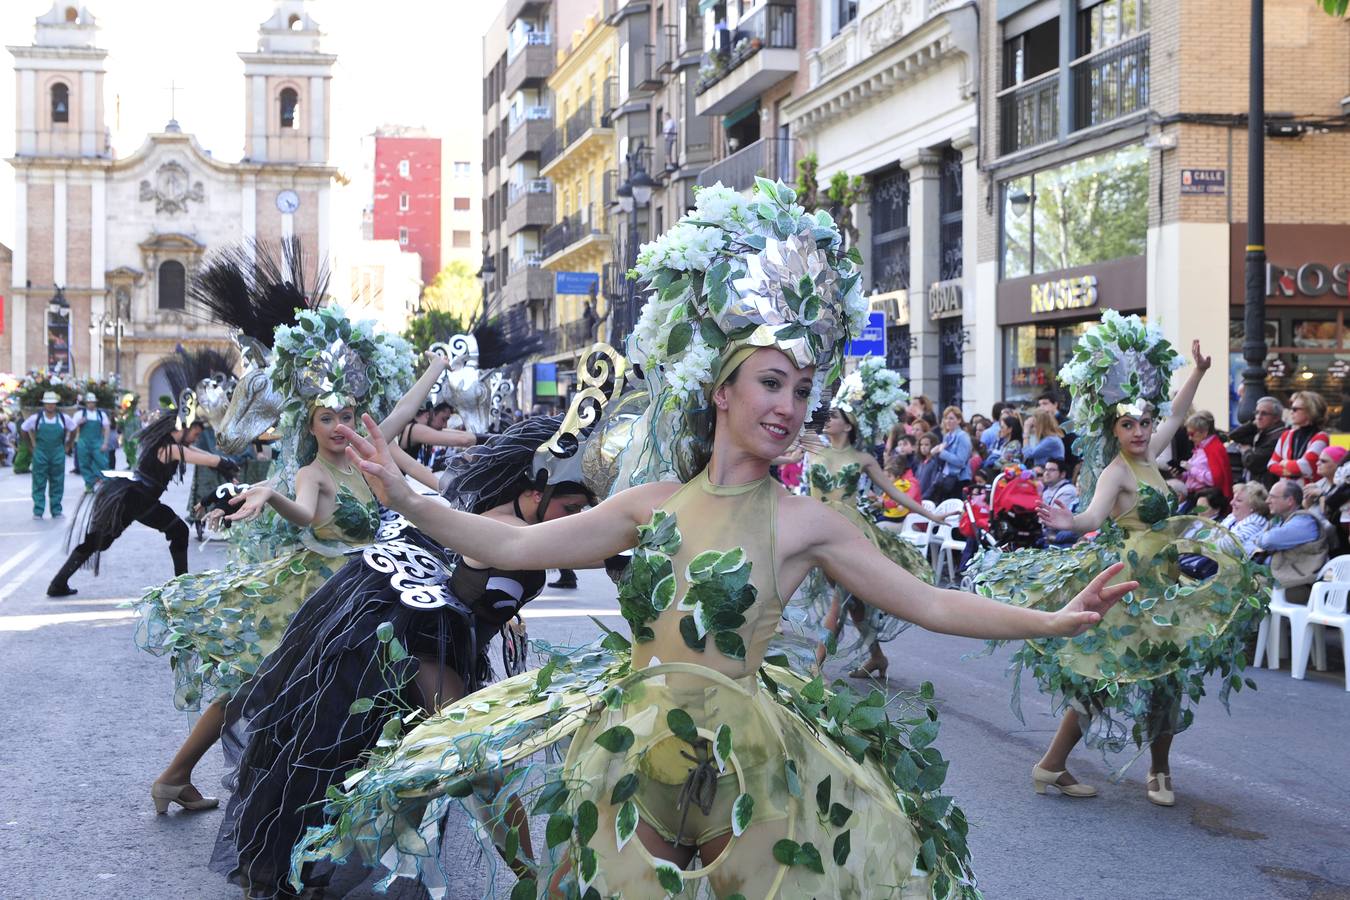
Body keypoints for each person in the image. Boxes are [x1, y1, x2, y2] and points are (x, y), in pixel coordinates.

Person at [293, 182, 1133, 899]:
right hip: (630, 749)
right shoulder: (650, 504)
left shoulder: (811, 525)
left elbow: (932, 601)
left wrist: (1054, 620)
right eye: (772, 382)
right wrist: (407, 495)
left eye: (803, 390)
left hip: (746, 763)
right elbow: (508, 547)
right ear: (722, 391)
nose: (790, 407)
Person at [217, 408, 601, 899]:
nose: (579, 520)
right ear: (531, 493)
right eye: (572, 509)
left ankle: (526, 877)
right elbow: (588, 547)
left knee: (422, 769)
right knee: (476, 761)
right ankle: (534, 878)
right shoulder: (510, 531)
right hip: (418, 651)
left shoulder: (491, 509)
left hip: (441, 643)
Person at [973, 316, 1267, 809]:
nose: (1138, 430)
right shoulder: (1116, 470)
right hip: (1130, 585)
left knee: (1169, 677)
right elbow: (1091, 514)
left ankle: (1158, 771)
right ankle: (1051, 764)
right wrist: (1067, 522)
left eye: (1143, 423)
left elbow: (1176, 413)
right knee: (1107, 675)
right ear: (1114, 428)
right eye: (1127, 423)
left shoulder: (1150, 455)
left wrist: (1196, 373)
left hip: (1164, 580)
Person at [132, 302, 409, 818]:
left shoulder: (365, 457)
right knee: (253, 684)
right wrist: (270, 496)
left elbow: (404, 413)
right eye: (326, 418)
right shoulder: (312, 470)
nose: (338, 426)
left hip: (365, 588)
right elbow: (305, 515)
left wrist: (436, 366)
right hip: (316, 594)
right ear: (310, 424)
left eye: (346, 416)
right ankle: (186, 778)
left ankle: (346, 795)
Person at [802, 357, 949, 678]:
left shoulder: (863, 458)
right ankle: (877, 656)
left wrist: (931, 515)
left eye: (836, 417)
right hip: (814, 532)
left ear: (849, 425)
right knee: (852, 603)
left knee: (840, 600)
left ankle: (814, 665)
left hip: (847, 535)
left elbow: (896, 494)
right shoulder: (813, 447)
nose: (829, 420)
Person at [46, 356, 241, 597]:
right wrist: (224, 462)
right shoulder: (168, 448)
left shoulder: (169, 443)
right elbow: (200, 457)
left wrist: (222, 462)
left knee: (101, 540)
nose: (196, 438)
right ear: (182, 429)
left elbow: (196, 452)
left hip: (134, 497)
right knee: (177, 530)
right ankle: (183, 586)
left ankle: (58, 583)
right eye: (195, 433)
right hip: (139, 498)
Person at [1253, 479, 1331, 605]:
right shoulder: (1279, 521)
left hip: (1298, 587)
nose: (1267, 501)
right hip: (1282, 583)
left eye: (1272, 497)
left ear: (1289, 501)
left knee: (1246, 593)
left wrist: (1260, 539)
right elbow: (1253, 542)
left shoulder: (1305, 522)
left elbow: (1268, 540)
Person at [22, 391, 76, 519]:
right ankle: (38, 511)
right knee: (38, 481)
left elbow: (73, 429)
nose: (50, 406)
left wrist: (68, 445)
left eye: (52, 403)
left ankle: (56, 510)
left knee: (57, 481)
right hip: (40, 453)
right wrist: (30, 447)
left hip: (58, 453)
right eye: (48, 403)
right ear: (44, 404)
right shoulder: (36, 419)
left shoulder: (64, 419)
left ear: (56, 405)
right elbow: (24, 430)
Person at [1268, 390, 1329, 484]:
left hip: (1308, 494)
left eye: (1295, 409)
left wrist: (1284, 463)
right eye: (1291, 408)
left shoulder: (1321, 437)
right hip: (1286, 492)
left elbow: (1305, 466)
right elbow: (1271, 465)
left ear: (1310, 411)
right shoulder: (1286, 435)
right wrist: (1293, 470)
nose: (1291, 412)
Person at [1228, 396, 1283, 488]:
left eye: (1264, 413)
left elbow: (1253, 462)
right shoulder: (1262, 431)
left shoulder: (1278, 436)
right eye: (1257, 413)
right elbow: (1234, 435)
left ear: (1276, 418)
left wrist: (1246, 451)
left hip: (1267, 488)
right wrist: (1253, 424)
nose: (1259, 417)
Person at [1180, 410, 1233, 501]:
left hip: (1207, 500)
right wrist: (1181, 474)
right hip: (1195, 496)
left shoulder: (1214, 448)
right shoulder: (1202, 448)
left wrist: (1191, 469)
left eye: (1191, 434)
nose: (1189, 438)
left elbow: (1214, 479)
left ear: (1204, 432)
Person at [929, 405, 972, 502]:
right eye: (946, 418)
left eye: (951, 418)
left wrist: (942, 452)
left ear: (959, 420)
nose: (948, 421)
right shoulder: (947, 436)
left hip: (959, 479)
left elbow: (961, 461)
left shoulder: (963, 436)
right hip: (947, 478)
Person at [72, 392, 112, 493]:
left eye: (92, 402)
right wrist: (79, 423)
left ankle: (106, 483)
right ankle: (89, 485)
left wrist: (105, 443)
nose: (91, 404)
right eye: (89, 402)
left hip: (97, 442)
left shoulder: (101, 414)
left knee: (102, 462)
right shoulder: (79, 414)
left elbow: (106, 428)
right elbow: (71, 427)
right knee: (84, 464)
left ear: (95, 403)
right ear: (86, 403)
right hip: (83, 442)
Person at [1219, 481, 1270, 554]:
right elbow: (1212, 533)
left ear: (1253, 506)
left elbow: (1229, 547)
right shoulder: (1232, 517)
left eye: (1238, 500)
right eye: (1233, 498)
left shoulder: (1256, 523)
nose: (1231, 503)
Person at [915, 431, 941, 500]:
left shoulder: (934, 462)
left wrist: (924, 497)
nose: (923, 447)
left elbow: (933, 483)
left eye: (926, 445)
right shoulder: (921, 463)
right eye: (921, 445)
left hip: (927, 499)